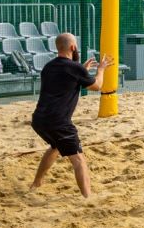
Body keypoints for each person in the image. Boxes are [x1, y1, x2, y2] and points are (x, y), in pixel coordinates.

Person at [28, 32, 115, 198]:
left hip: (39, 120)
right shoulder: (75, 68)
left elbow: (66, 80)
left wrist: (83, 70)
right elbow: (97, 86)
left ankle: (36, 183)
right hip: (58, 122)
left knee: (55, 147)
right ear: (73, 47)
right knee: (78, 160)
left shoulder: (48, 67)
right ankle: (88, 198)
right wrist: (101, 69)